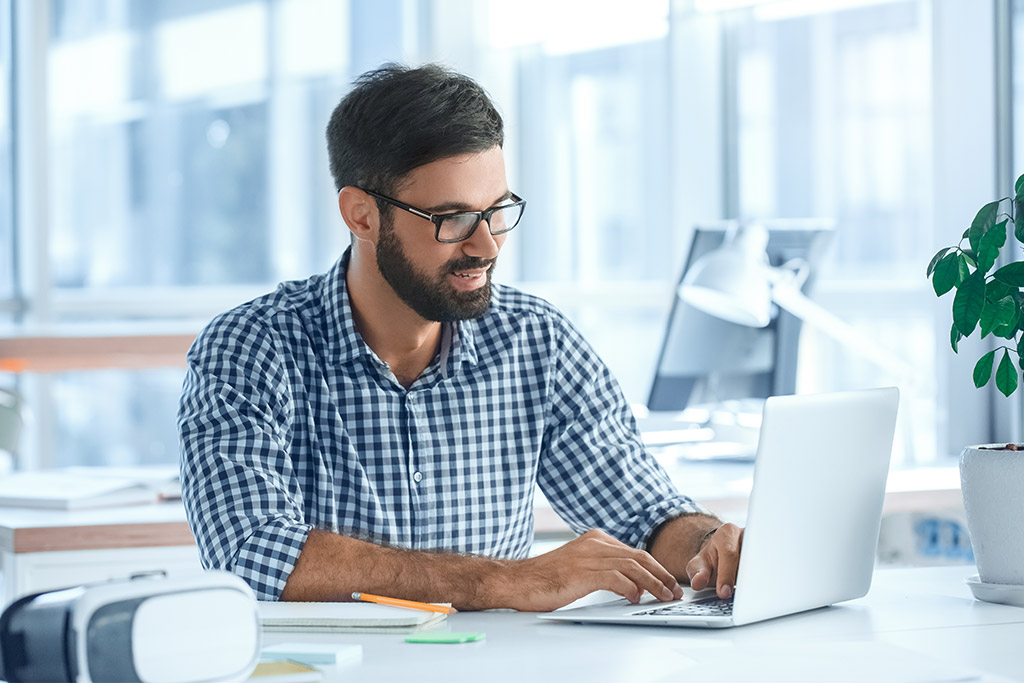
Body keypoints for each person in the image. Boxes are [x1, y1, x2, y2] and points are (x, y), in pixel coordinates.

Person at [178, 63, 742, 611]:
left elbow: (645, 515)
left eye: (496, 211)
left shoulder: (534, 340)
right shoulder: (249, 349)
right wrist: (505, 582)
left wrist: (711, 546)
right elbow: (249, 552)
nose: (488, 247)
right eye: (451, 219)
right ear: (362, 215)